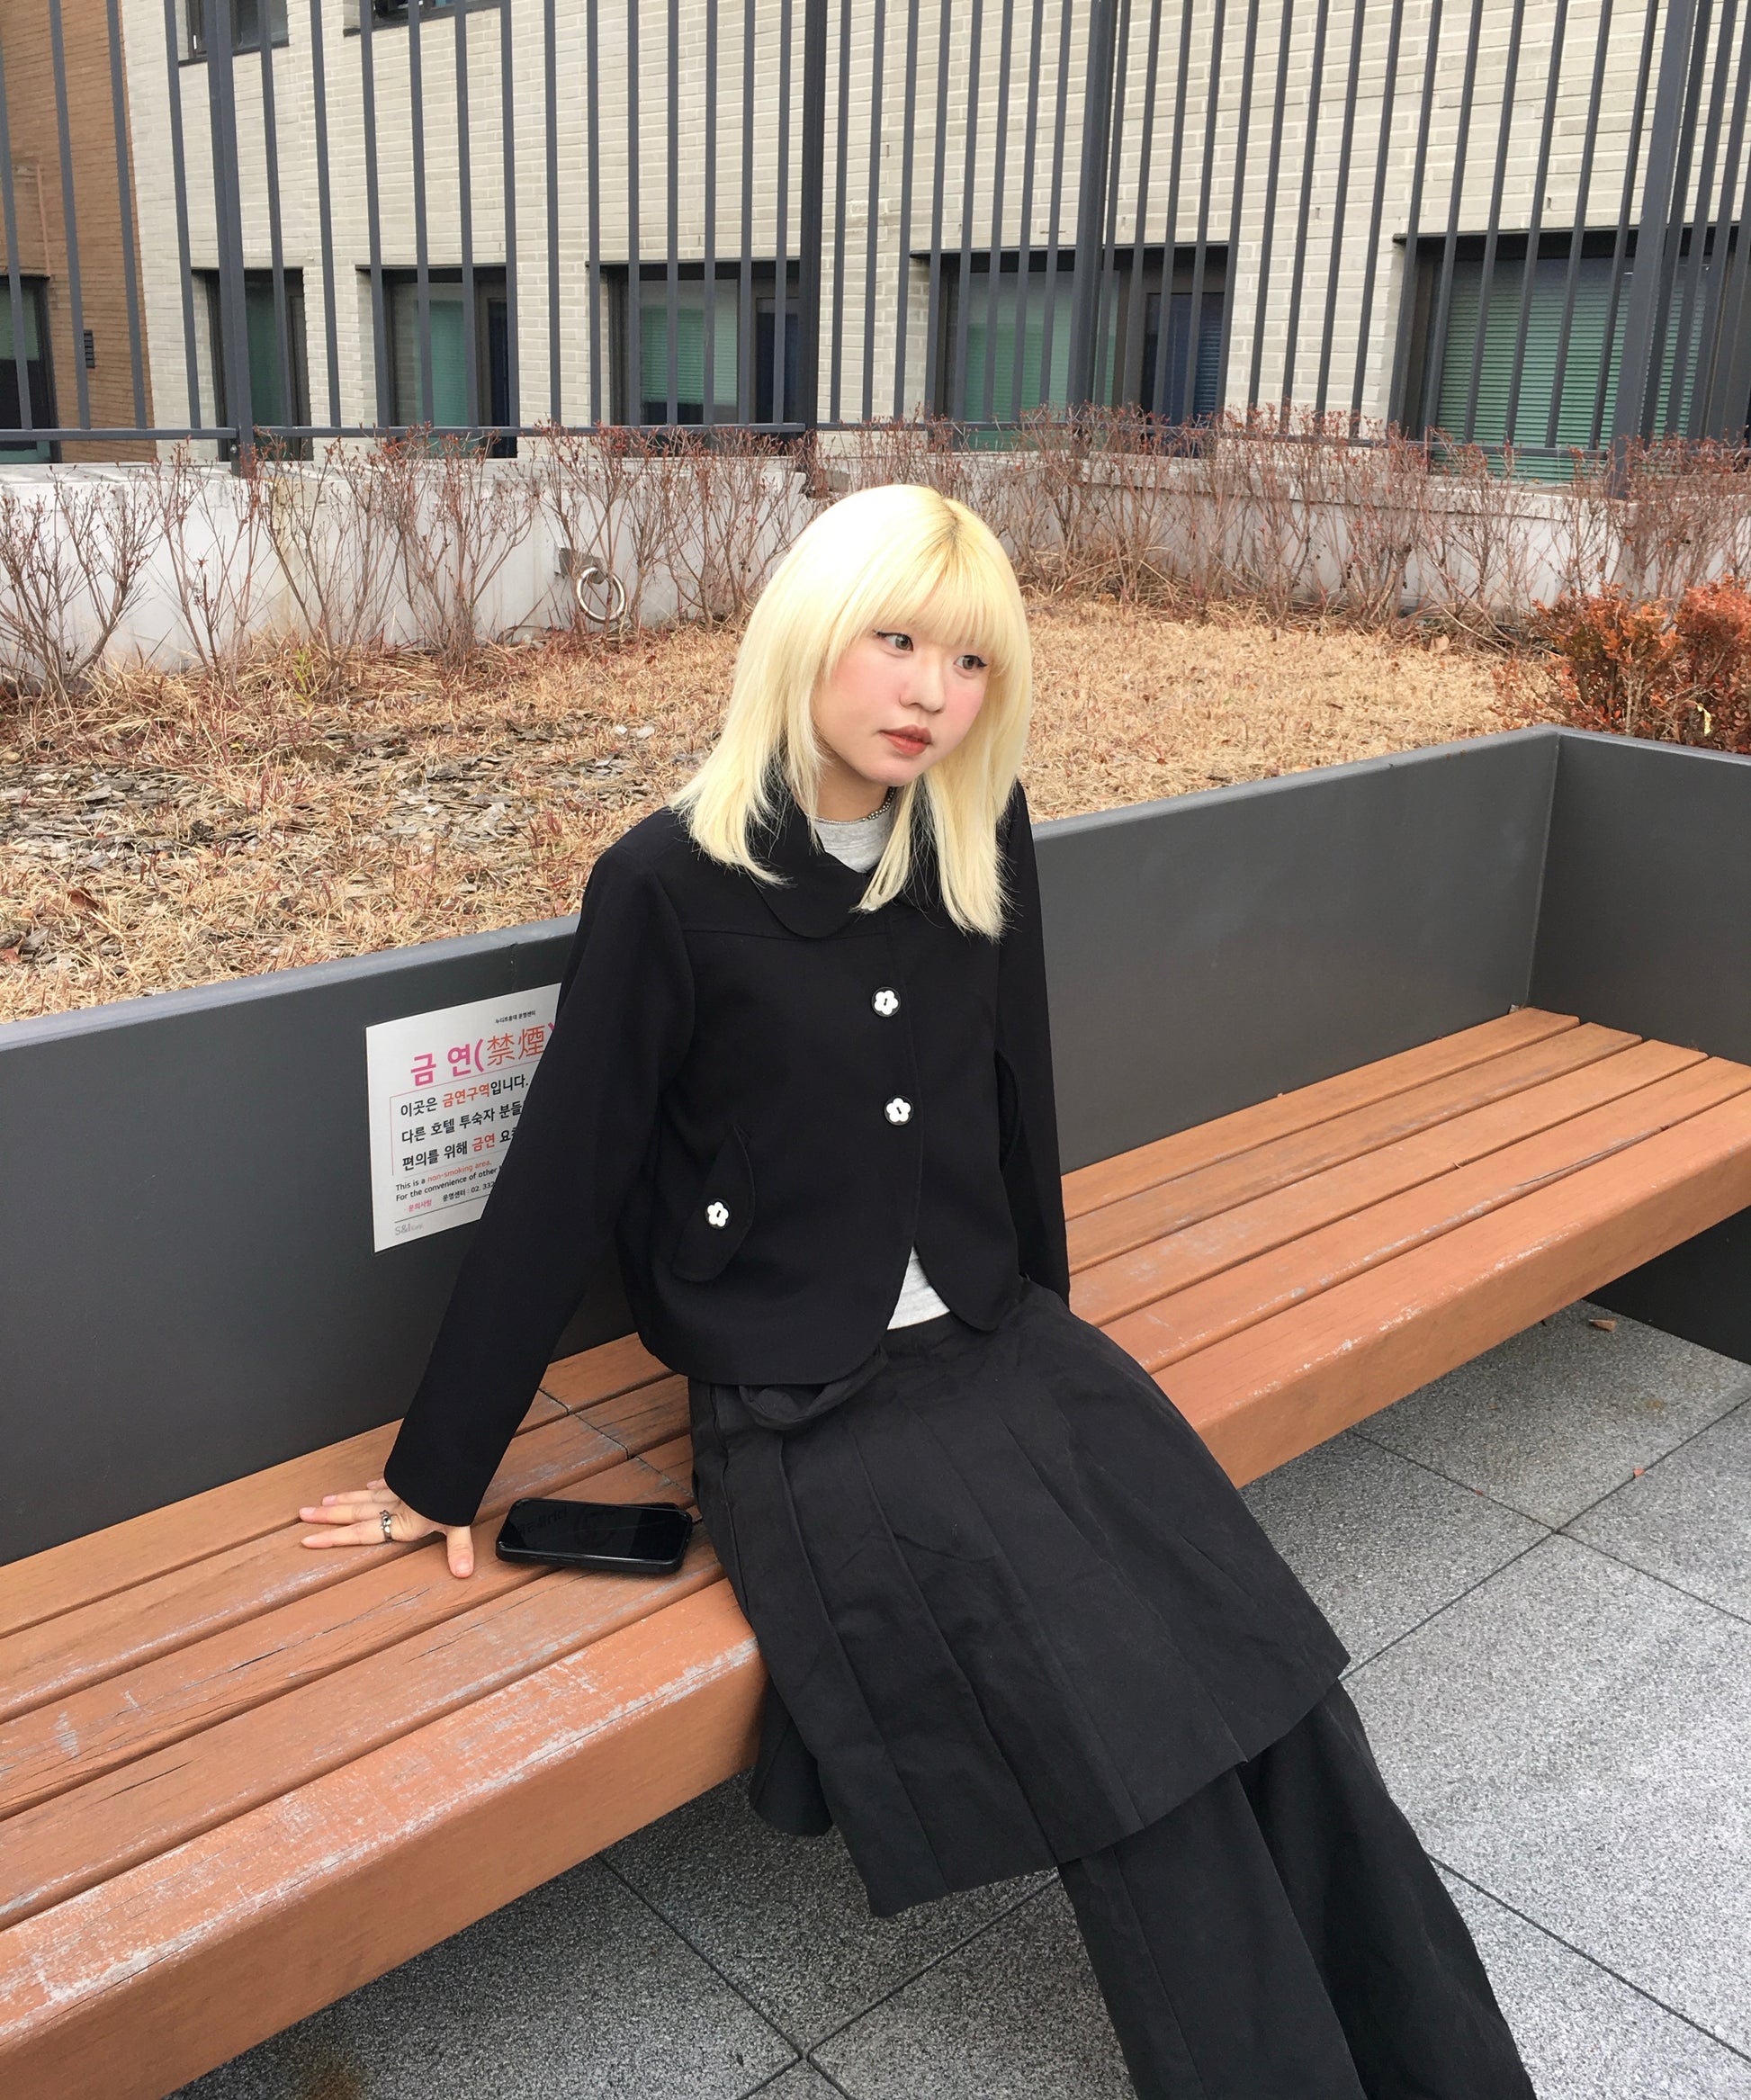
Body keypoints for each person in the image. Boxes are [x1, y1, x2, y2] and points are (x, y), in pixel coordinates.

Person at [300, 483, 1536, 2099]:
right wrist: (435, 1473)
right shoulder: (669, 882)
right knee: (1125, 1744)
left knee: (1275, 1677)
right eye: (894, 640)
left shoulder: (973, 825)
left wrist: (1056, 1360)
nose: (928, 693)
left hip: (999, 1343)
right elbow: (561, 1180)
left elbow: (1017, 1097)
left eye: (966, 660)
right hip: (808, 1407)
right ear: (807, 631)